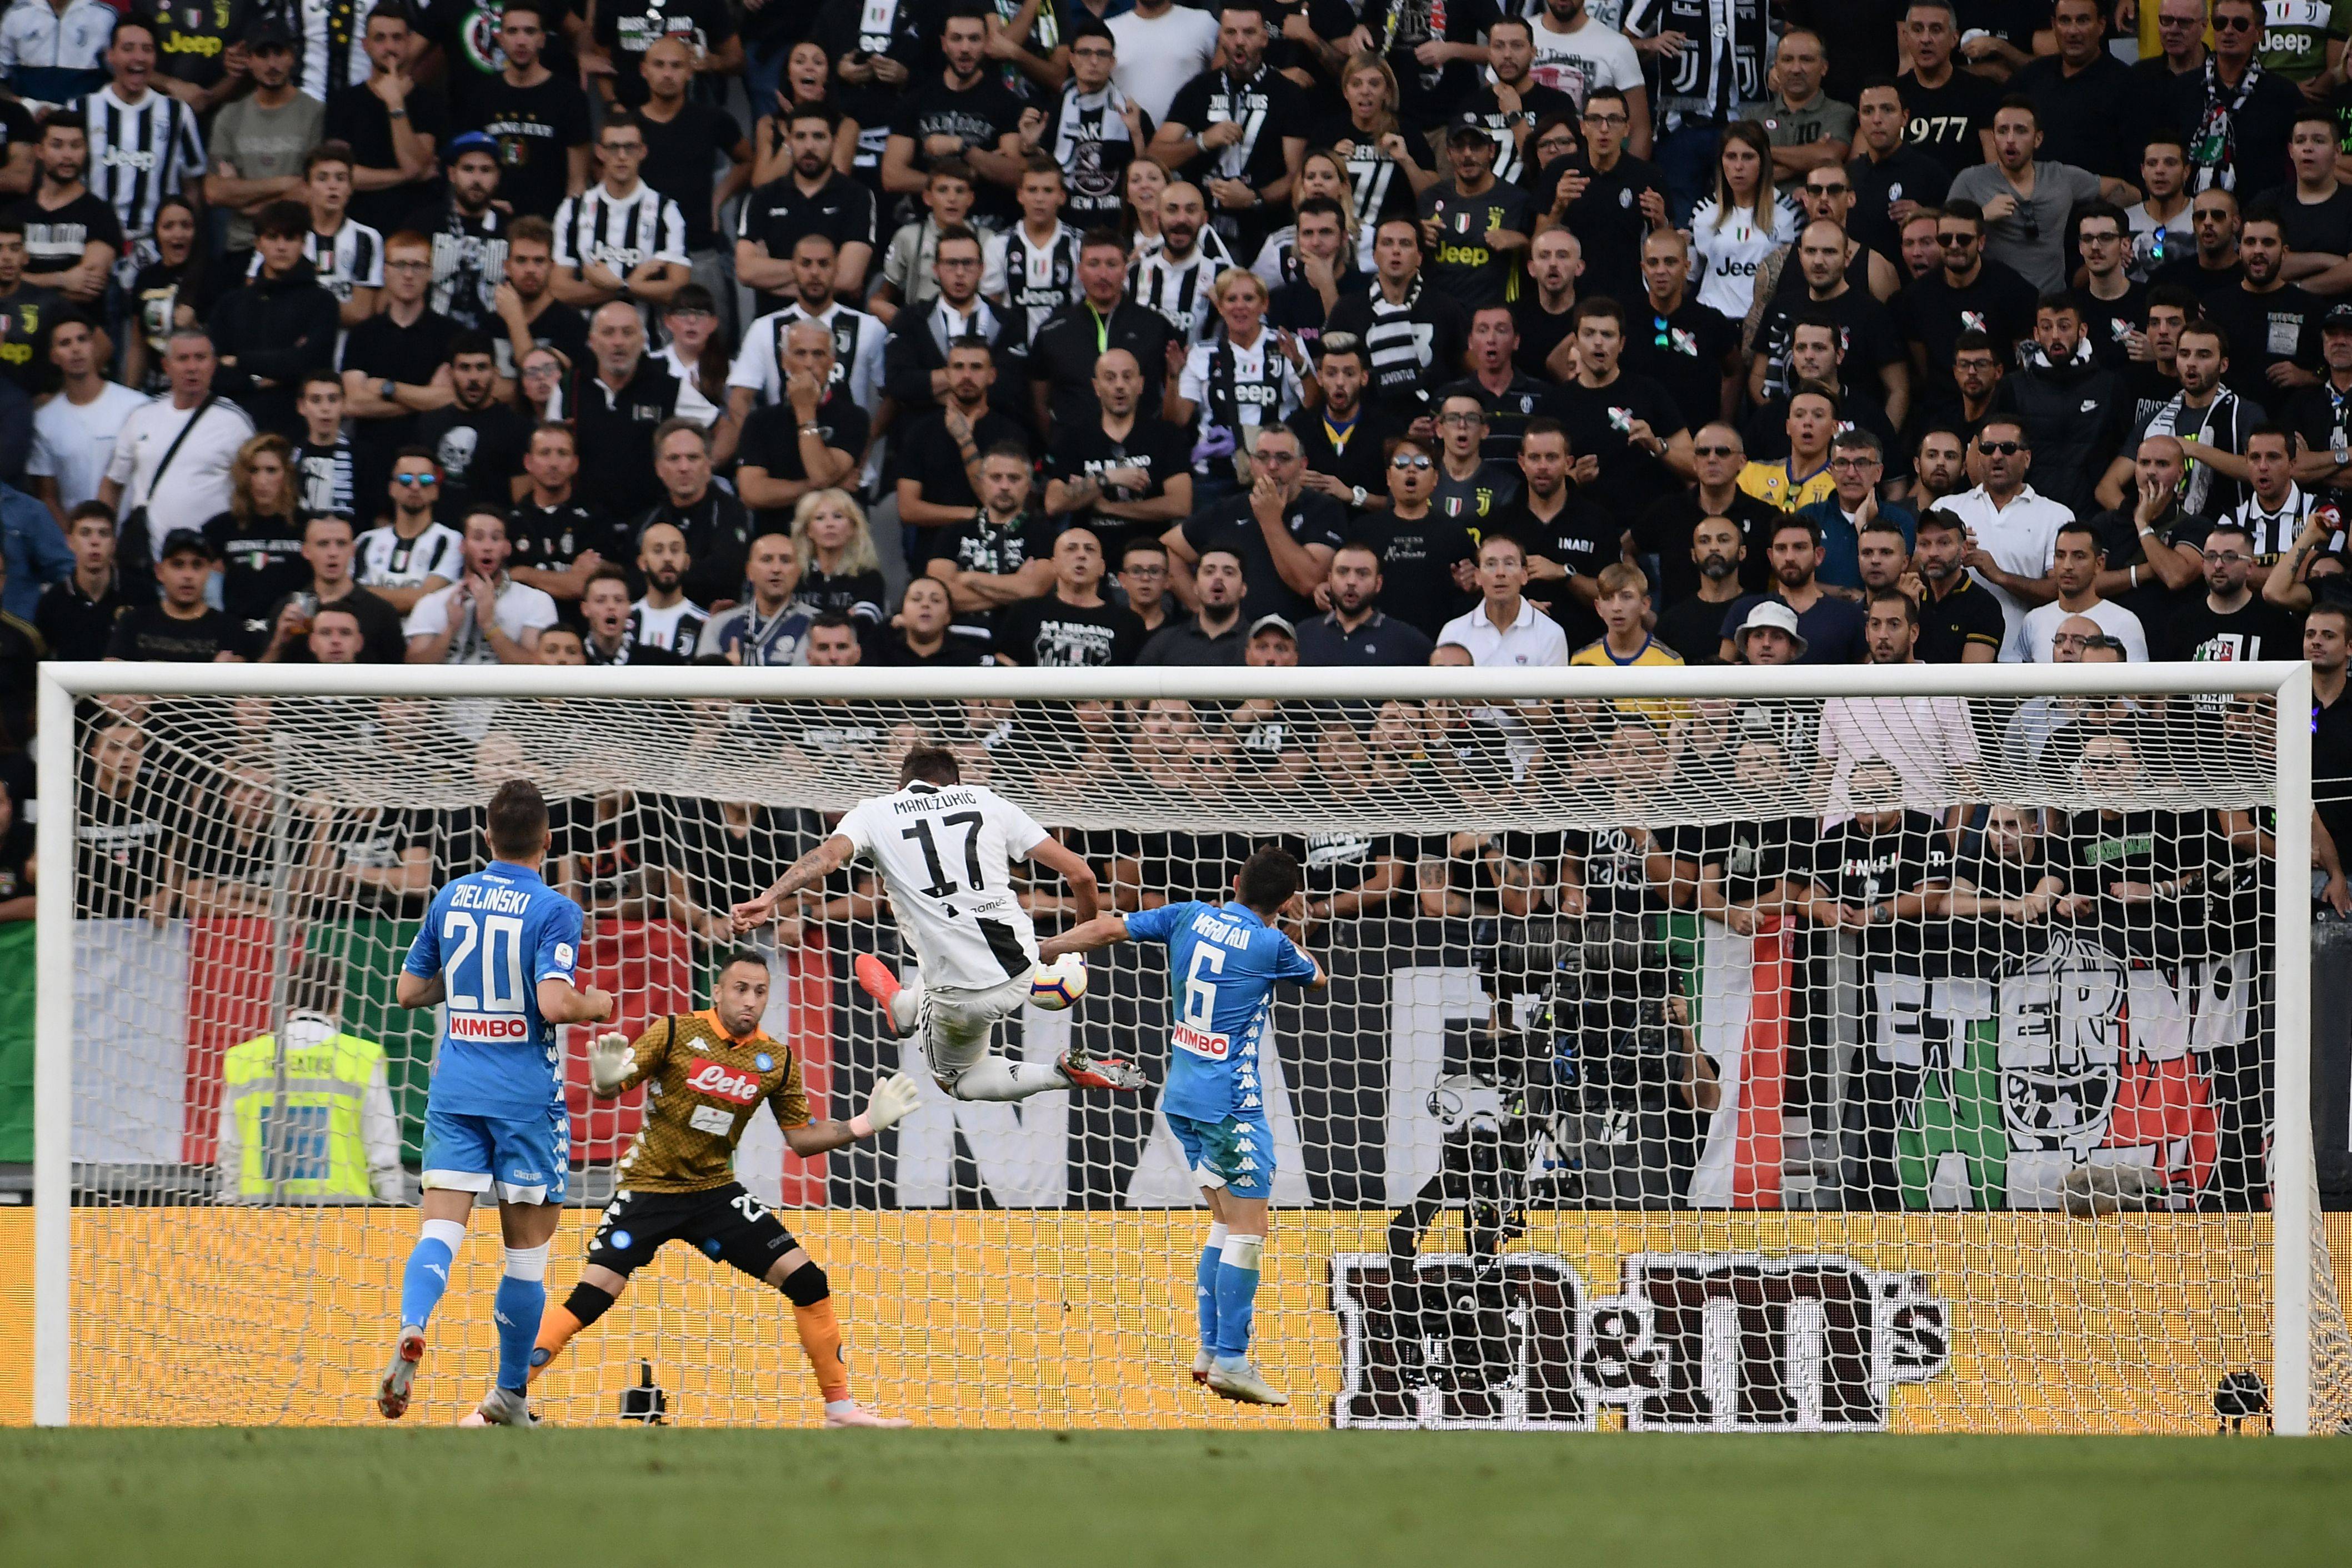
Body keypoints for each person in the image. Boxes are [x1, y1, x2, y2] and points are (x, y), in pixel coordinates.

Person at [515, 951, 918, 1429]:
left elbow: (802, 1138)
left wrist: (863, 1123)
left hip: (714, 1192)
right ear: (719, 991)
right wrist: (605, 1080)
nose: (750, 1000)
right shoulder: (675, 1031)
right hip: (650, 1188)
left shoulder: (775, 1059)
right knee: (593, 1293)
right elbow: (614, 1084)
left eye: (760, 991)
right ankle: (502, 1400)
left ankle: (839, 1408)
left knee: (809, 1282)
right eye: (741, 989)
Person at [1040, 842, 1323, 1402]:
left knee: (1223, 1222)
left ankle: (1209, 1350)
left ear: (1236, 879)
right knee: (1249, 1229)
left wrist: (1045, 947)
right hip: (1231, 1106)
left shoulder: (1188, 914)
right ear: (1286, 901)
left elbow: (1104, 931)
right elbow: (1315, 977)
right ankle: (1234, 1361)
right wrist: (1298, 925)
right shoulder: (1272, 945)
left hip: (1183, 1098)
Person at [378, 779, 614, 1428]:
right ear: (546, 841)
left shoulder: (452, 896)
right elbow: (553, 1005)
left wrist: (466, 986)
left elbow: (407, 991)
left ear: (487, 836)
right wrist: (599, 1003)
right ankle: (510, 1395)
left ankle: (412, 1325)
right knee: (525, 1257)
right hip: (522, 1100)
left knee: (439, 1231)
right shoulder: (556, 908)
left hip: (455, 1090)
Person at [734, 742, 1140, 1103]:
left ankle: (1057, 1075)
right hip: (1022, 966)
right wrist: (1075, 947)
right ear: (955, 784)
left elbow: (827, 858)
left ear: (901, 786)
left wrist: (771, 897)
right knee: (947, 944)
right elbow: (1083, 876)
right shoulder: (987, 800)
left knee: (957, 1081)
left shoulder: (876, 812)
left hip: (960, 994)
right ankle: (903, 1006)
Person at [1149, 4, 1310, 258]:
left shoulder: (1287, 94)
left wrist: (1253, 198)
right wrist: (1202, 142)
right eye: (1231, 32)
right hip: (1200, 228)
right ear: (1220, 37)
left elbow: (1297, 176)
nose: (1239, 41)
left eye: (1248, 33)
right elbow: (1156, 157)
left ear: (1264, 38)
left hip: (1263, 231)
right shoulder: (1199, 89)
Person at [102, 328, 255, 573]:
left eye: (201, 358)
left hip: (209, 566)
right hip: (147, 565)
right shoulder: (142, 417)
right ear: (166, 366)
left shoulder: (235, 423)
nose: (192, 367)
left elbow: (254, 492)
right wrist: (108, 542)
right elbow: (112, 484)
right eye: (183, 359)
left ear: (214, 365)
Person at [1167, 423, 1345, 625]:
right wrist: (1201, 607)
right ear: (1252, 464)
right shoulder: (1228, 509)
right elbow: (1168, 549)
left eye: (1284, 458)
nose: (1272, 467)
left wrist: (1270, 520)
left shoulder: (1323, 509)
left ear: (1303, 465)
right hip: (1234, 640)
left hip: (1295, 638)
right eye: (1262, 457)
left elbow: (1309, 582)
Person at [1946, 99, 2126, 293]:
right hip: (1994, 300)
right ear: (1993, 138)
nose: (2011, 139)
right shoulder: (1970, 180)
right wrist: (1981, 216)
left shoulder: (2061, 176)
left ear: (2038, 139)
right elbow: (1944, 237)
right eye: (2003, 131)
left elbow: (2122, 189)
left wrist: (2107, 221)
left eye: (2021, 130)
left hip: (2051, 304)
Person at [341, 227, 455, 513]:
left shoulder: (451, 334)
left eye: (418, 266)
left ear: (430, 273)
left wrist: (387, 389)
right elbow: (354, 403)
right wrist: (424, 398)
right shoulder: (363, 335)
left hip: (431, 465)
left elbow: (449, 399)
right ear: (385, 271)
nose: (408, 274)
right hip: (372, 462)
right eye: (400, 265)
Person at [1042, 347, 1194, 563]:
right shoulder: (1075, 437)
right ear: (1096, 387)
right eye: (1110, 378)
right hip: (1090, 560)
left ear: (1141, 384)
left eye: (1128, 377)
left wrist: (1110, 507)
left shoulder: (1165, 435)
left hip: (1147, 559)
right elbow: (1054, 502)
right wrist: (1108, 478)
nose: (1120, 386)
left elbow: (1180, 504)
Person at [79, 17, 204, 275]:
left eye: (147, 49)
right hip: (94, 247)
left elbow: (193, 186)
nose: (139, 57)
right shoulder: (83, 109)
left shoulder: (177, 113)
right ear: (110, 56)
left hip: (157, 251)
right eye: (128, 48)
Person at [208, 199, 342, 440]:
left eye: (290, 238)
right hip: (234, 428)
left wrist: (240, 360)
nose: (281, 247)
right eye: (272, 237)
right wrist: (260, 380)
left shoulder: (322, 302)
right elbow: (213, 370)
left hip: (297, 431)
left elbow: (309, 364)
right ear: (258, 243)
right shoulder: (231, 303)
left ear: (303, 243)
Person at [1936, 417, 2068, 659]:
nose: (1997, 456)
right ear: (1977, 458)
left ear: (2027, 458)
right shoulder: (1945, 509)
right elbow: (1915, 571)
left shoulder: (2056, 515)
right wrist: (1949, 555)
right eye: (1988, 449)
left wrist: (1999, 575)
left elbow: (2061, 590)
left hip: (2024, 661)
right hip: (1950, 659)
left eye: (2007, 449)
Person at [1324, 215, 1472, 425]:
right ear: (1374, 255)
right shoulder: (1348, 310)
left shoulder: (1446, 308)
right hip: (1367, 429)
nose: (1396, 251)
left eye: (1405, 244)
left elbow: (1463, 372)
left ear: (1420, 257)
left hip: (1432, 426)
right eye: (1387, 243)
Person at [734, 103, 874, 321]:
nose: (809, 146)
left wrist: (770, 275)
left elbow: (849, 278)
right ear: (789, 142)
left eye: (819, 137)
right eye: (800, 137)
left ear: (835, 142)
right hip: (774, 325)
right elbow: (746, 271)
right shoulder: (763, 197)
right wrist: (825, 271)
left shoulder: (857, 196)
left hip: (839, 327)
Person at [1030, 228, 1176, 433]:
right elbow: (1040, 404)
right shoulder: (1053, 330)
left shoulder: (1155, 326)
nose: (1103, 274)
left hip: (1141, 450)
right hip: (1074, 452)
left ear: (1125, 270)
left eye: (1112, 264)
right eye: (1094, 264)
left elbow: (1172, 396)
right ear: (1080, 271)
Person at [1533, 87, 1669, 308]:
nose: (1604, 129)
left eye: (1614, 120)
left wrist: (1661, 222)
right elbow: (1538, 243)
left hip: (1629, 299)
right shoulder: (1560, 171)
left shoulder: (1647, 176)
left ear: (1627, 129)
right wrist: (1558, 207)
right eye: (1595, 120)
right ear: (1583, 127)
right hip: (1570, 299)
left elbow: (1668, 245)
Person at [199, 21, 320, 264]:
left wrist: (244, 199)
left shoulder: (314, 112)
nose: (272, 64)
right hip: (242, 245)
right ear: (249, 60)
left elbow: (312, 192)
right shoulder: (229, 116)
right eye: (262, 55)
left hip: (297, 245)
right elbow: (214, 192)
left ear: (292, 57)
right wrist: (286, 183)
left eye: (279, 54)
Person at [550, 111, 687, 315]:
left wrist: (619, 286)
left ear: (643, 152)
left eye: (630, 147)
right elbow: (559, 289)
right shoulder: (573, 210)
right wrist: (630, 285)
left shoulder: (667, 211)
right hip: (586, 339)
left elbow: (678, 290)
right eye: (613, 147)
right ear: (600, 152)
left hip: (646, 341)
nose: (622, 156)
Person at [2159, 0, 2300, 198]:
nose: (2228, 31)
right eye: (2220, 23)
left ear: (2259, 33)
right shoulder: (2181, 89)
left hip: (2262, 216)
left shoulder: (2283, 93)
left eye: (2240, 24)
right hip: (2194, 213)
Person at [324, 6, 442, 238]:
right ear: (365, 44)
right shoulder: (344, 103)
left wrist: (396, 105)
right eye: (380, 38)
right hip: (358, 227)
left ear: (409, 43)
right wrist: (403, 177)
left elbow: (414, 163)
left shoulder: (429, 102)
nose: (389, 47)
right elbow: (342, 175)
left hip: (415, 230)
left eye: (397, 38)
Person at [734, 318, 864, 529]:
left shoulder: (853, 417)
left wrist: (805, 411)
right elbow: (752, 493)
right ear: (785, 361)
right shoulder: (760, 421)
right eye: (800, 353)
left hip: (834, 539)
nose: (809, 363)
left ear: (832, 362)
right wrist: (825, 487)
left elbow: (821, 475)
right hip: (778, 539)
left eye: (818, 354)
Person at [894, 335, 1029, 533]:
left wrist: (965, 439)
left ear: (992, 376)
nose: (967, 376)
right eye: (958, 367)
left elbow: (1000, 502)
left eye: (976, 367)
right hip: (933, 551)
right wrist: (972, 515)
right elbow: (907, 509)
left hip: (994, 544)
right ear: (947, 374)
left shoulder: (1012, 434)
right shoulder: (920, 432)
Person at [27, 310, 144, 521]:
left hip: (132, 538)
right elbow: (47, 495)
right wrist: (69, 544)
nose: (76, 349)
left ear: (94, 346)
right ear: (54, 356)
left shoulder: (136, 406)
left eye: (82, 340)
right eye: (65, 343)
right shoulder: (44, 422)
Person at [570, 300, 682, 519]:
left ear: (642, 341)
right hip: (585, 525)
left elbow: (723, 429)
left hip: (652, 523)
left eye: (628, 333)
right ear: (592, 341)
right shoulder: (569, 388)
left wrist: (697, 471)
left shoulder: (670, 389)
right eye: (609, 333)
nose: (618, 342)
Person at [404, 507, 558, 664]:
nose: (487, 547)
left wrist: (489, 625)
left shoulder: (536, 601)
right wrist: (450, 629)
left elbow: (537, 668)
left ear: (507, 548)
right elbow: (414, 668)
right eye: (478, 538)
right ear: (463, 546)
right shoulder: (433, 603)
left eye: (496, 539)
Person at [255, 511, 406, 664]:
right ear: (306, 551)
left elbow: (401, 678)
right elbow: (260, 682)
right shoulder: (287, 610)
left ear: (352, 550)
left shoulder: (381, 612)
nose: (333, 553)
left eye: (341, 544)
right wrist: (279, 644)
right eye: (323, 544)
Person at [202, 432, 307, 651]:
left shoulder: (306, 527)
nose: (262, 480)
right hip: (234, 635)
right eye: (254, 470)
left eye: (271, 470)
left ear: (287, 475)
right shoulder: (220, 528)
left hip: (293, 636)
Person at [1689, 123, 1798, 332]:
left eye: (1748, 157)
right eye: (1731, 157)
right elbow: (1690, 272)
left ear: (1763, 162)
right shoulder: (1704, 212)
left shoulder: (1787, 214)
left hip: (1764, 324)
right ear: (1721, 163)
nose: (1739, 166)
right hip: (1712, 321)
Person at [1715, 514, 1868, 663]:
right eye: (1781, 549)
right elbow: (1721, 677)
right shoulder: (1744, 610)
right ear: (1771, 556)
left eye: (1799, 548)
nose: (1789, 557)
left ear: (1818, 555)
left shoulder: (1848, 616)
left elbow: (1868, 678)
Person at [638, 418, 752, 608]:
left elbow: (724, 576)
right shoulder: (645, 521)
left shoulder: (731, 513)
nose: (684, 468)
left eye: (693, 458)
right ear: (659, 468)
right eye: (674, 458)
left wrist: (661, 574)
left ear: (708, 465)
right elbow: (632, 581)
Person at [9, 108, 116, 305]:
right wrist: (62, 280)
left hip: (79, 328)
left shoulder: (100, 214)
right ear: (39, 151)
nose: (68, 155)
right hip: (18, 332)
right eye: (57, 146)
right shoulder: (15, 212)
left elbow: (88, 290)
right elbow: (3, 282)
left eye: (76, 146)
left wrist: (23, 285)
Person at [995, 526, 1145, 666]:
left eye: (1090, 550)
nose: (1081, 555)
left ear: (1102, 568)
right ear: (1054, 565)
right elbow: (1004, 668)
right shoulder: (1025, 612)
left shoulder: (1129, 622)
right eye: (1071, 549)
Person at [2165, 517, 2302, 659]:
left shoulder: (2277, 624)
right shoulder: (2182, 624)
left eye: (2230, 557)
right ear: (2203, 564)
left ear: (2250, 566)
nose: (2218, 565)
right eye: (2211, 557)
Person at [2018, 520, 2150, 660]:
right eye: (2060, 556)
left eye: (2079, 556)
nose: (2067, 565)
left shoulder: (2125, 622)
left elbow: (2136, 680)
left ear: (2099, 564)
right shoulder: (2034, 621)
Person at [354, 448, 463, 613]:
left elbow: (423, 599)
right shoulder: (365, 541)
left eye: (426, 480)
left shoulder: (450, 540)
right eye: (406, 479)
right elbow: (345, 595)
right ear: (392, 488)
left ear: (436, 490)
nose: (415, 487)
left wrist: (363, 594)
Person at [103, 527, 238, 660]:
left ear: (209, 571)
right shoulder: (132, 624)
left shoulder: (228, 630)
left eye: (197, 565)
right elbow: (109, 674)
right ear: (160, 571)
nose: (188, 575)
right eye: (178, 565)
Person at [1297, 540, 1436, 664]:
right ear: (1330, 579)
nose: (1351, 582)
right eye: (1343, 572)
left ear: (1378, 584)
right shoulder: (1303, 635)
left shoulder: (1407, 642)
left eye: (1362, 574)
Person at [33, 499, 124, 660]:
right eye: (85, 533)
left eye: (103, 534)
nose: (95, 542)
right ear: (70, 542)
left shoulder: (141, 596)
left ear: (114, 544)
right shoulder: (52, 602)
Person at [1137, 544, 1250, 663]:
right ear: (1195, 587)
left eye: (1229, 573)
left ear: (1243, 589)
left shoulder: (1258, 643)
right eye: (1209, 571)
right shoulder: (1165, 642)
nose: (1218, 577)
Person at [1572, 558, 1680, 670]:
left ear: (1645, 605)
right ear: (1599, 607)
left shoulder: (1669, 663)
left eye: (1627, 597)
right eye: (1608, 598)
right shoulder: (1581, 661)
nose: (1617, 607)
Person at [630, 518, 710, 656]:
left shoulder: (705, 625)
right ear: (642, 563)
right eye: (658, 550)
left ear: (687, 562)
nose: (668, 558)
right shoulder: (625, 620)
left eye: (675, 550)